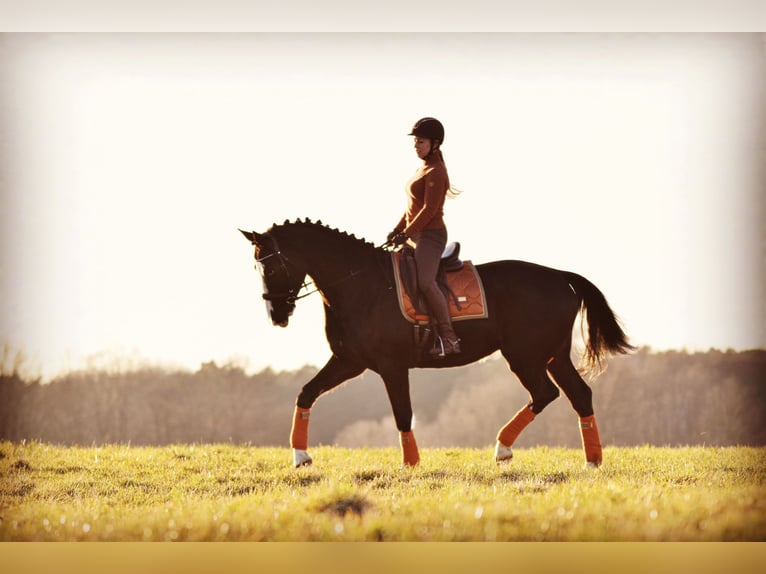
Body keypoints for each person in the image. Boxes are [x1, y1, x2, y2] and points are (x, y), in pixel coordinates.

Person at [387, 117, 461, 356]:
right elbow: (412, 209)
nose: (416, 146)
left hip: (431, 236)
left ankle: (449, 338)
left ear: (435, 143)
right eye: (416, 141)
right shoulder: (422, 168)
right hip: (416, 235)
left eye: (421, 141)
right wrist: (398, 230)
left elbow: (428, 210)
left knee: (425, 282)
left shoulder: (437, 171)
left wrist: (406, 233)